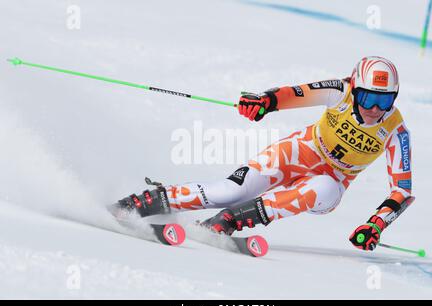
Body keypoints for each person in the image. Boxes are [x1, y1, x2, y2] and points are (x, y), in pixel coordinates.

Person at [110, 56, 412, 251]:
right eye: (369, 97)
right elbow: (295, 94)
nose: (375, 109)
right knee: (232, 189)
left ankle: (228, 221)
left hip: (330, 184)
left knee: (325, 186)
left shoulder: (396, 131)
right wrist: (265, 102)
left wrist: (376, 224)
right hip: (299, 152)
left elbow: (402, 190)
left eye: (384, 102)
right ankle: (140, 203)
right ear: (355, 88)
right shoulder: (340, 91)